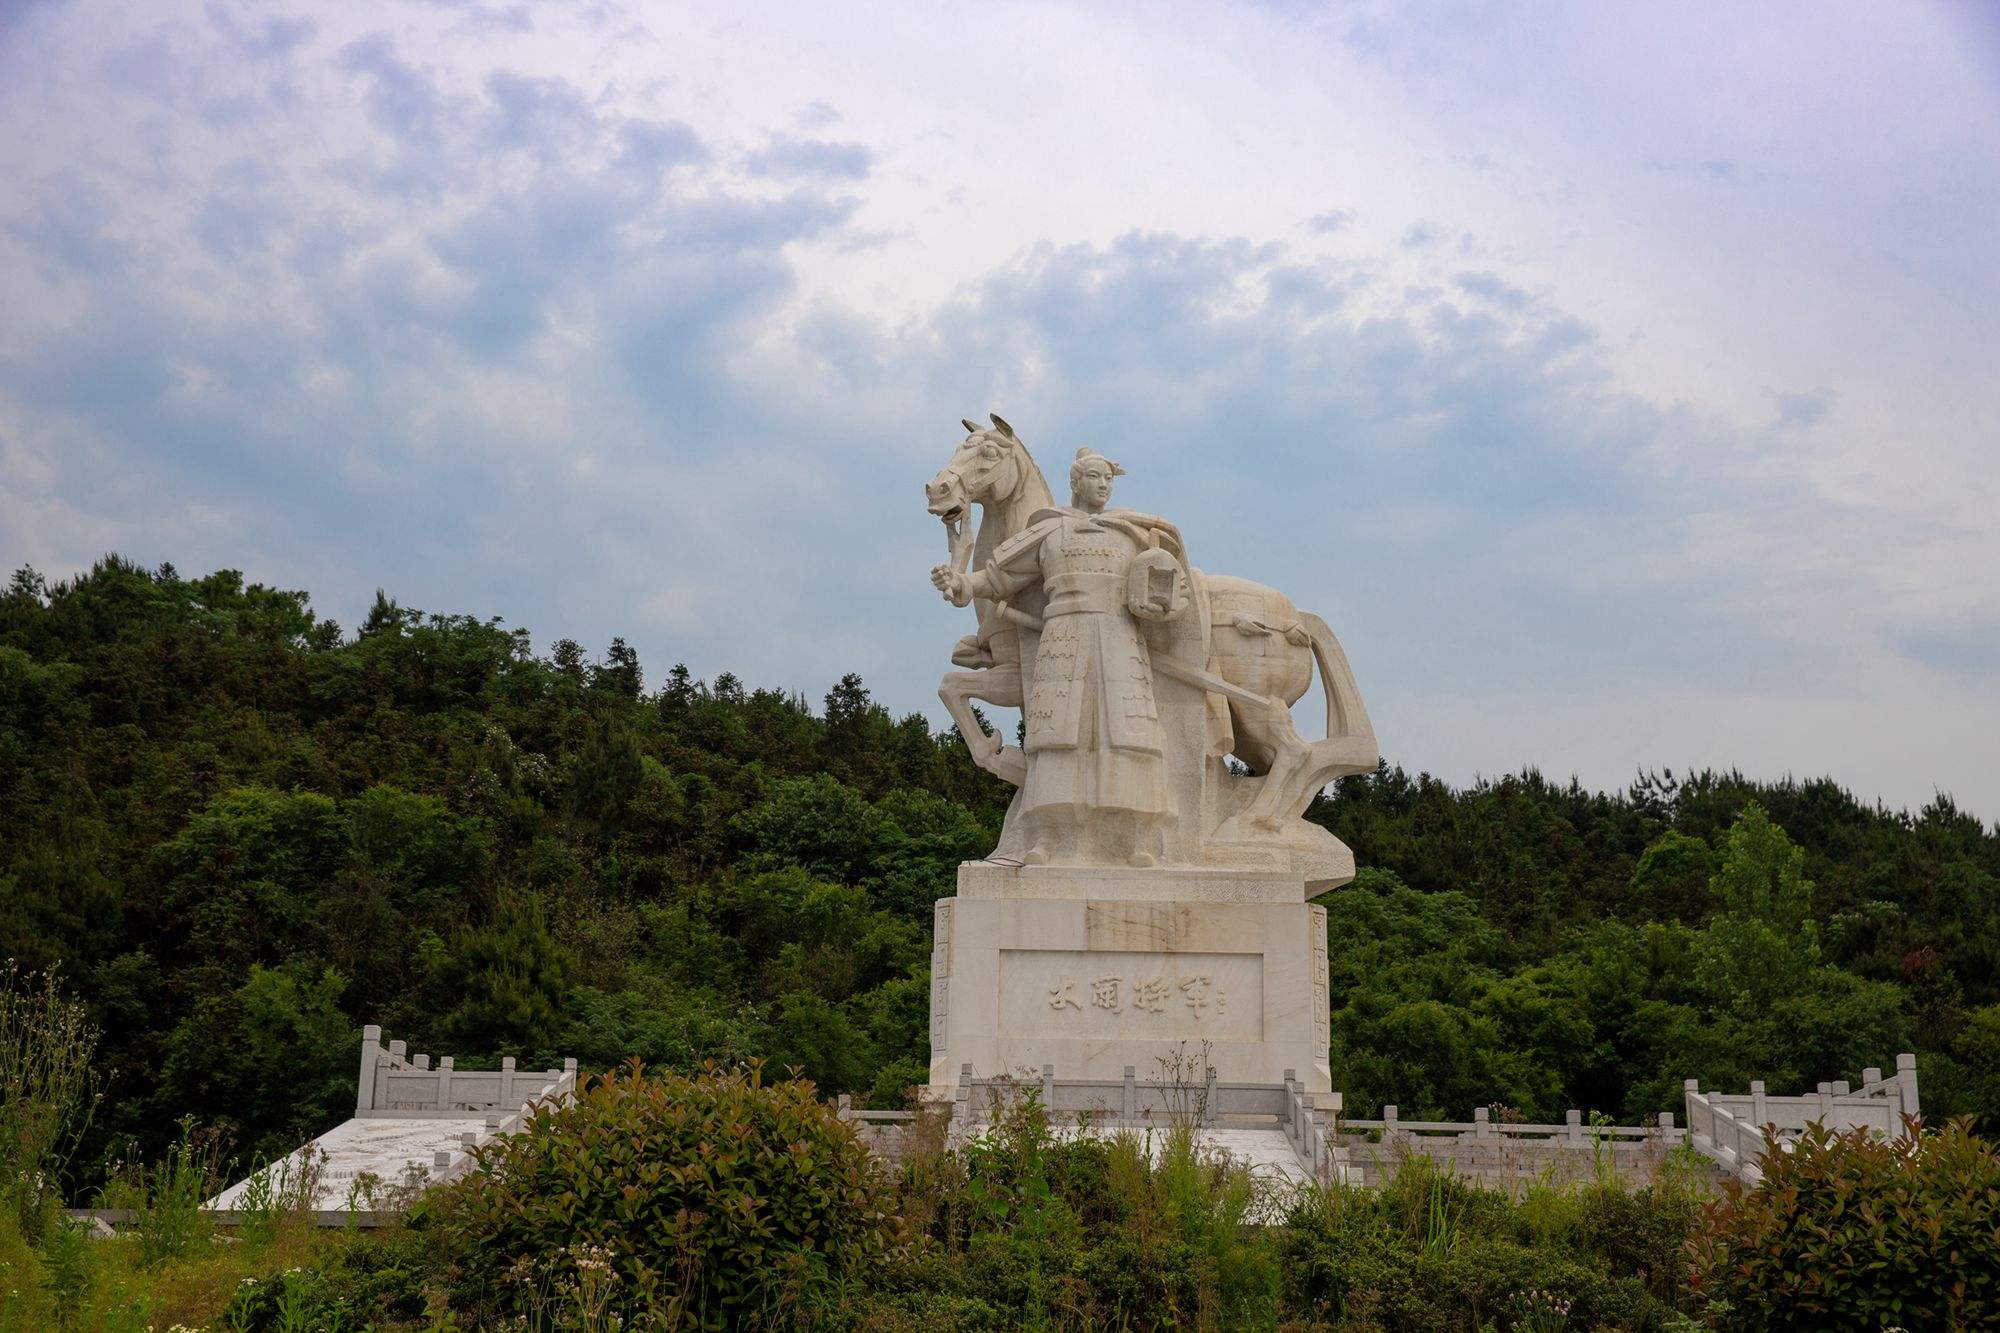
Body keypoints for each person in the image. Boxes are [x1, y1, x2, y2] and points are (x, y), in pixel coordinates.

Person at [932, 447, 1189, 866]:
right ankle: (1049, 839)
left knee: (1126, 733)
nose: (1103, 484)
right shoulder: (1050, 530)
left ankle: (1135, 840)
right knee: (1057, 736)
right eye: (1094, 476)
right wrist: (961, 584)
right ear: (1075, 482)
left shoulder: (1132, 534)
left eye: (1108, 477)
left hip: (1119, 639)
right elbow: (998, 577)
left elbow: (1167, 593)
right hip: (1063, 637)